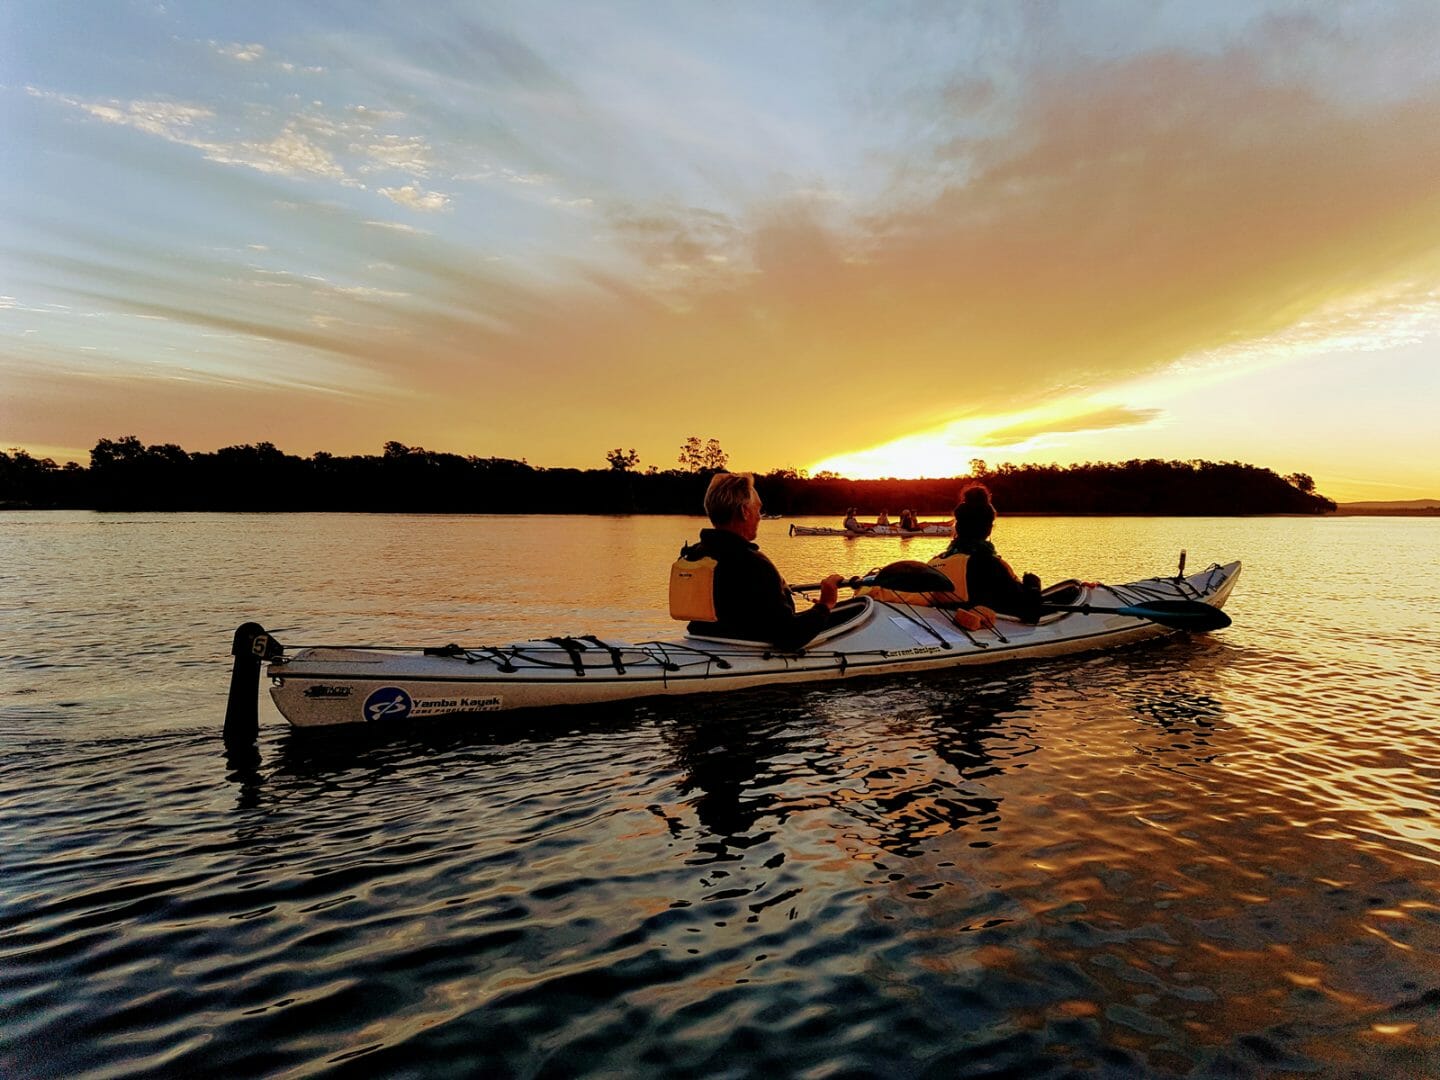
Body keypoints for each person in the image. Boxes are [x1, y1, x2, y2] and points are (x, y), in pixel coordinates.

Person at [673, 473, 843, 650]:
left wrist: (809, 611)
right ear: (744, 512)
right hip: (744, 652)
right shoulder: (754, 564)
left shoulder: (694, 555)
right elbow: (789, 637)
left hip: (701, 642)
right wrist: (825, 604)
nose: (760, 516)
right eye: (758, 509)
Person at [932, 484, 1042, 621]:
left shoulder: (936, 562)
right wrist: (1033, 586)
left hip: (942, 624)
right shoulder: (989, 565)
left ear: (958, 528)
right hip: (986, 632)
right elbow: (1031, 613)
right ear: (989, 529)